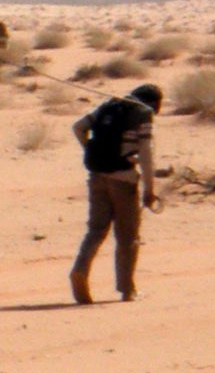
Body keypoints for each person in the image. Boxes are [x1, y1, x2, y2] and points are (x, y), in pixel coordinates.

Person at [69, 82, 163, 303]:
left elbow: (78, 127)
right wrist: (150, 189)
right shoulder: (142, 113)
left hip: (97, 176)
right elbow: (146, 153)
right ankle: (127, 290)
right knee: (128, 236)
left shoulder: (110, 104)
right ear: (154, 103)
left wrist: (92, 150)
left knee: (96, 230)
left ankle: (80, 270)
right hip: (124, 179)